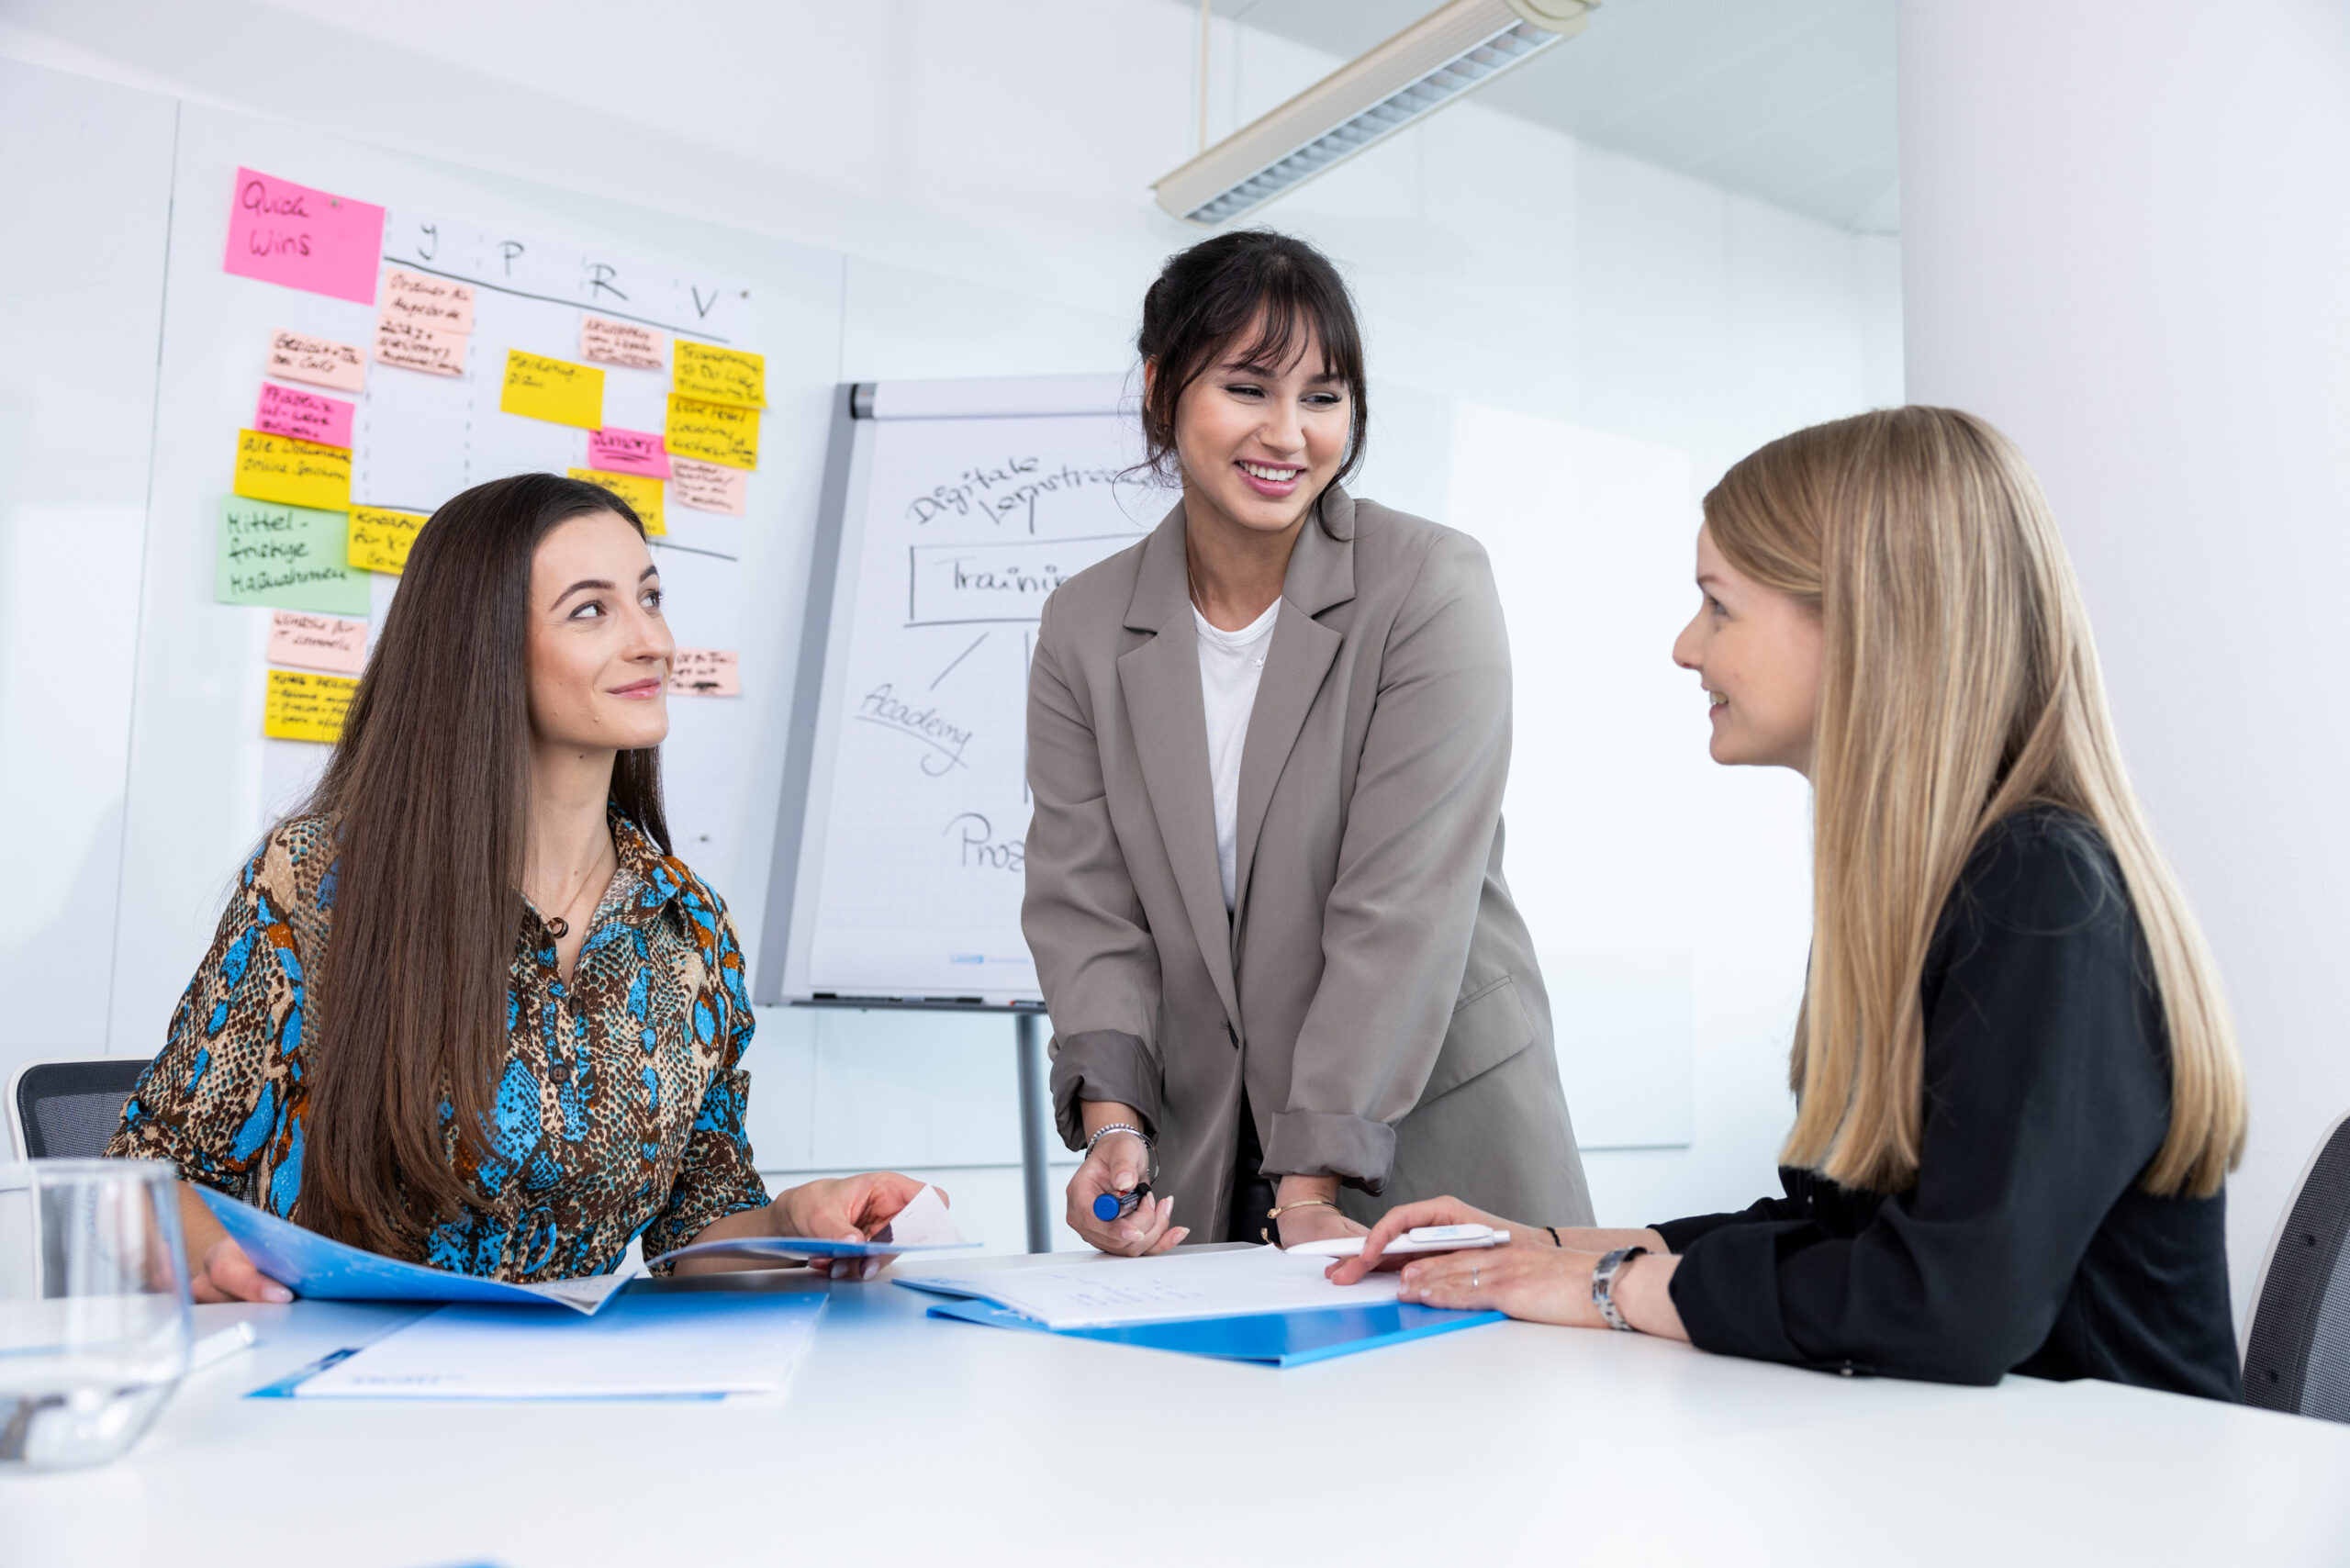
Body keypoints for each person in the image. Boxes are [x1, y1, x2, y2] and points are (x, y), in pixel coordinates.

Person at [1335, 407, 2246, 1400]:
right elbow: (1845, 1235)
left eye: (1718, 606)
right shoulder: (1932, 883)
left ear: (1865, 619)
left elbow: (1946, 1302)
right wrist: (1547, 1248)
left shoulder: (2039, 889)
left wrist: (1608, 1286)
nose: (1687, 648)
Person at [108, 473, 932, 1301]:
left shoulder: (687, 925)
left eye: (649, 597)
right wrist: (214, 1264)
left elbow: (693, 1231)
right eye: (591, 610)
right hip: (340, 1382)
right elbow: (146, 1181)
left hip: (568, 1401)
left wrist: (792, 1220)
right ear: (485, 647)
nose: (651, 639)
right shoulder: (321, 886)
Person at [1024, 230, 1594, 1255]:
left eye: (1324, 398)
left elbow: (1400, 908)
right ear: (1161, 389)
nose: (1288, 434)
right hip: (1208, 1160)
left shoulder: (1428, 585)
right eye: (1248, 388)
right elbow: (1084, 900)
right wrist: (1114, 1121)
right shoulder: (1085, 623)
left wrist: (1310, 1180)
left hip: (1430, 1143)